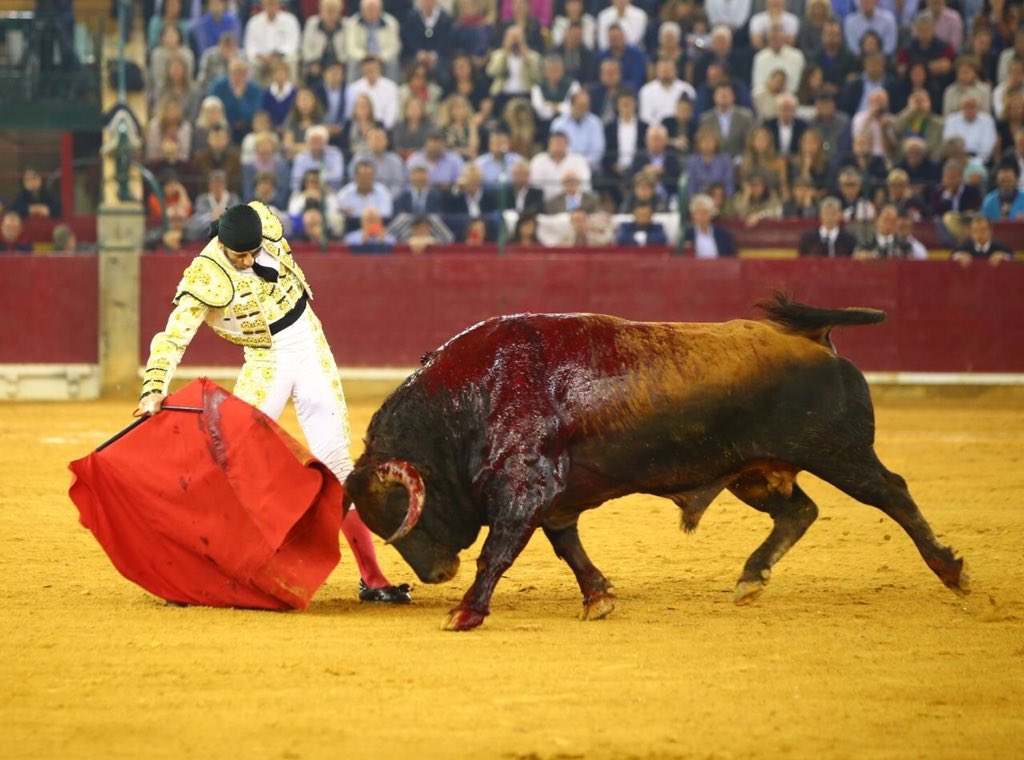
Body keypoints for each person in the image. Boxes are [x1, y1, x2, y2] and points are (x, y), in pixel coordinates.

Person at [136, 202, 411, 604]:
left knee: (337, 465)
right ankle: (198, 572)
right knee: (229, 464)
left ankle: (373, 578)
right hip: (268, 360)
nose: (248, 259)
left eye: (252, 251)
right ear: (222, 245)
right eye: (239, 254)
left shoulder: (264, 222)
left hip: (311, 345)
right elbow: (173, 336)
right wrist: (153, 387)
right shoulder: (207, 273)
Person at [682, 193, 737, 258]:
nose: (701, 216)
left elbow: (732, 258)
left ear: (711, 214)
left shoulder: (723, 234)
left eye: (705, 212)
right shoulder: (685, 235)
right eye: (698, 212)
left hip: (719, 267)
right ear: (692, 215)